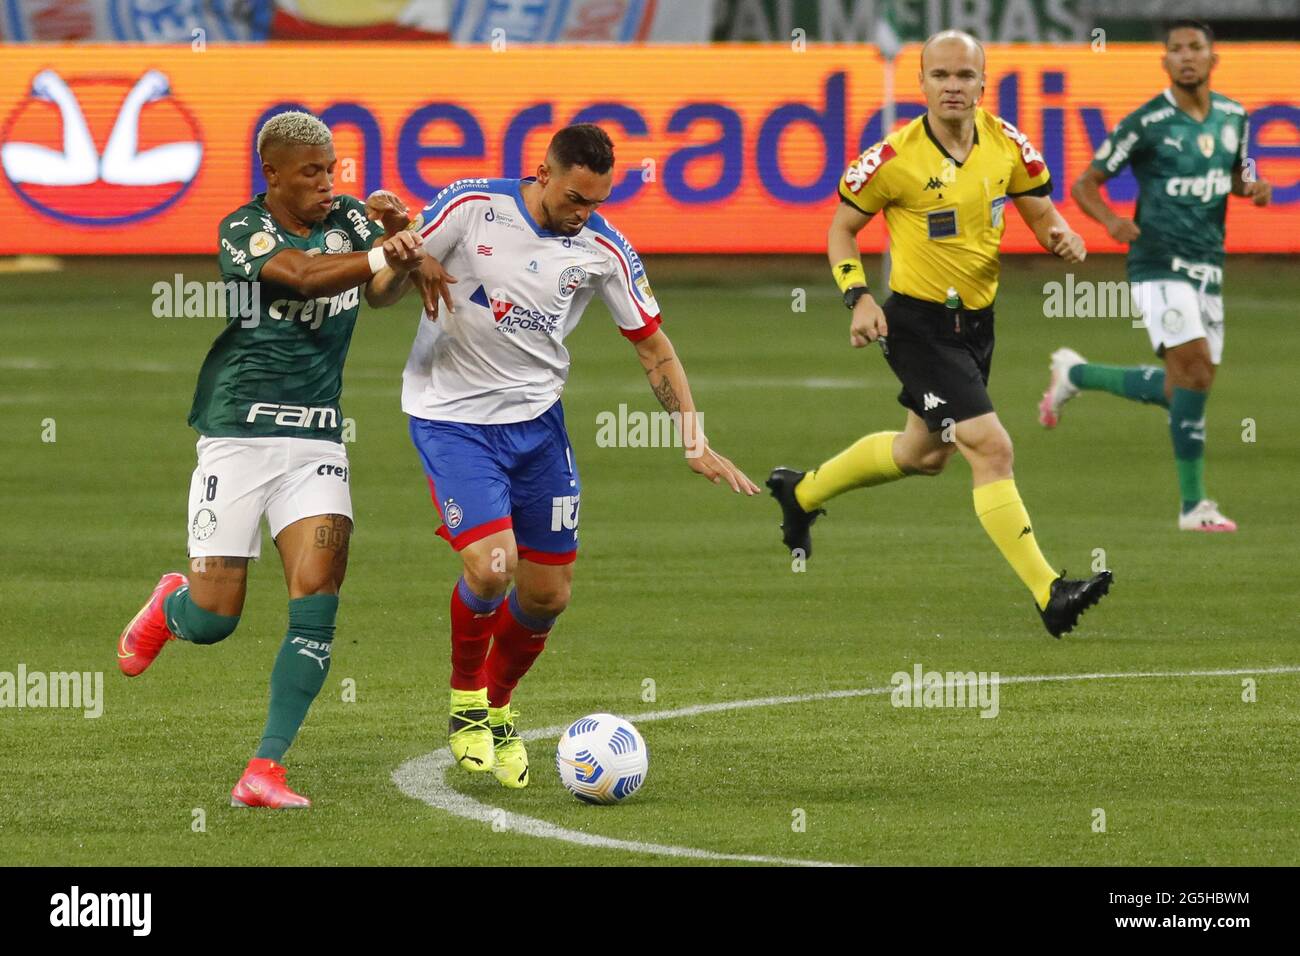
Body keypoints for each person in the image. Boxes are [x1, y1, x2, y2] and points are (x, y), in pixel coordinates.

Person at [400, 124, 759, 788]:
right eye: (573, 198)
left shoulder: (602, 250)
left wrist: (692, 437)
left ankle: (500, 707)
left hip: (538, 429)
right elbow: (392, 277)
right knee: (492, 567)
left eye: (594, 202)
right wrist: (401, 256)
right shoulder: (470, 206)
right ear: (542, 173)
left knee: (547, 595)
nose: (581, 214)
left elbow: (654, 348)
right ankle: (466, 703)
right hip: (452, 418)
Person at [115, 110, 444, 808]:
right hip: (237, 434)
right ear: (273, 174)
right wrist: (387, 252)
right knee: (214, 618)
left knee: (318, 596)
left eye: (332, 170)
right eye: (311, 173)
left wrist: (398, 246)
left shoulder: (352, 221)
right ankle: (170, 605)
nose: (328, 184)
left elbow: (377, 293)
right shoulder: (244, 231)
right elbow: (301, 277)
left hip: (318, 439)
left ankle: (264, 768)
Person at [767, 31, 1112, 638]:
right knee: (991, 445)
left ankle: (801, 494)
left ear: (984, 83)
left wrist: (1060, 234)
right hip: (918, 326)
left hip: (977, 324)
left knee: (924, 455)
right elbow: (841, 231)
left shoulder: (1009, 145)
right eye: (940, 75)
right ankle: (1049, 591)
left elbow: (1038, 211)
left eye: (965, 75)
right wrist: (860, 298)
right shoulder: (892, 160)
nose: (953, 86)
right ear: (920, 83)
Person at [1047, 19, 1271, 532]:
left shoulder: (1236, 116)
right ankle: (1194, 507)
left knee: (1186, 386)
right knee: (1192, 369)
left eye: (1196, 48)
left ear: (1214, 59)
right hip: (1157, 263)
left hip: (1207, 264)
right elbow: (1086, 183)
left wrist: (1253, 187)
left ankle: (1076, 374)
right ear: (1164, 61)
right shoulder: (1146, 123)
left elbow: (1237, 173)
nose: (1187, 56)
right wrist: (1110, 221)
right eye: (1176, 49)